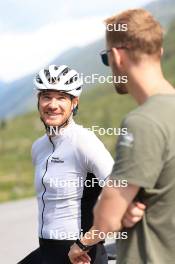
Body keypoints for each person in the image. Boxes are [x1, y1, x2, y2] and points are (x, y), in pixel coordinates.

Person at [68, 8, 175, 264]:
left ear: (117, 57)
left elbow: (107, 218)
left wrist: (79, 245)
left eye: (106, 58)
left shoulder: (141, 122)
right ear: (158, 52)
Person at [18, 64, 145, 264]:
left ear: (74, 102)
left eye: (61, 97)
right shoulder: (39, 147)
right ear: (38, 101)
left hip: (80, 255)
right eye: (46, 96)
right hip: (47, 250)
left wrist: (85, 242)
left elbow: (121, 191)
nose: (52, 104)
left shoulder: (83, 141)